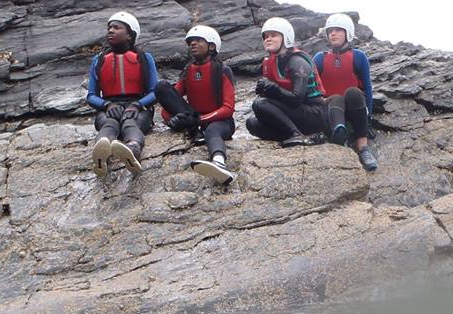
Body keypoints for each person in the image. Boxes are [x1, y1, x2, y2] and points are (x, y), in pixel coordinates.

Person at [155, 25, 236, 185]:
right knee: (161, 86)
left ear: (211, 46)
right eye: (191, 41)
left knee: (212, 130)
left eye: (198, 40)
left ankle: (219, 162)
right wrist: (170, 118)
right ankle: (195, 132)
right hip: (195, 121)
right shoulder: (188, 70)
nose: (193, 43)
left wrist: (201, 120)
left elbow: (228, 108)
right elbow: (172, 98)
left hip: (221, 122)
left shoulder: (222, 70)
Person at [86, 11, 158, 176]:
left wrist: (137, 105)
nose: (110, 31)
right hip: (110, 106)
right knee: (109, 123)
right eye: (109, 28)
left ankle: (133, 148)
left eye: (116, 28)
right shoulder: (99, 60)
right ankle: (102, 152)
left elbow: (155, 92)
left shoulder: (144, 58)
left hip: (138, 107)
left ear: (130, 35)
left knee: (129, 123)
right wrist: (106, 105)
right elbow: (91, 95)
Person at [246, 17, 328, 146]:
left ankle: (296, 135)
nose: (268, 39)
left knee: (260, 104)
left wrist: (273, 88)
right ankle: (308, 137)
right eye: (266, 36)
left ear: (286, 37)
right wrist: (265, 90)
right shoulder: (273, 62)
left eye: (273, 35)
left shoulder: (297, 61)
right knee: (252, 123)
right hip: (295, 112)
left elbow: (297, 98)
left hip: (314, 113)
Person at [313, 13, 377, 171]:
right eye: (330, 31)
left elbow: (367, 88)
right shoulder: (320, 58)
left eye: (338, 30)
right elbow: (312, 89)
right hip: (331, 111)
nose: (333, 34)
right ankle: (339, 137)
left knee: (353, 92)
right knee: (335, 98)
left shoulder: (358, 57)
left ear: (347, 33)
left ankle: (363, 147)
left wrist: (369, 117)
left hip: (354, 108)